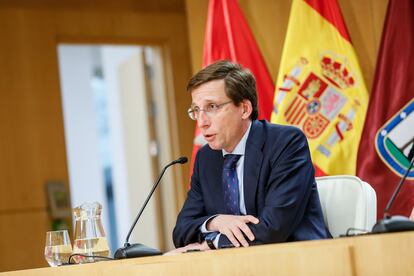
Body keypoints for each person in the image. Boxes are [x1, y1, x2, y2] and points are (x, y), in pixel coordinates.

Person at [172, 60, 330, 252]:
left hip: (300, 260)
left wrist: (212, 243)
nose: (202, 122)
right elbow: (181, 231)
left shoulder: (285, 143)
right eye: (196, 110)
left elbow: (273, 229)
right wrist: (216, 222)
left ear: (245, 109)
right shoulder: (206, 158)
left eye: (212, 107)